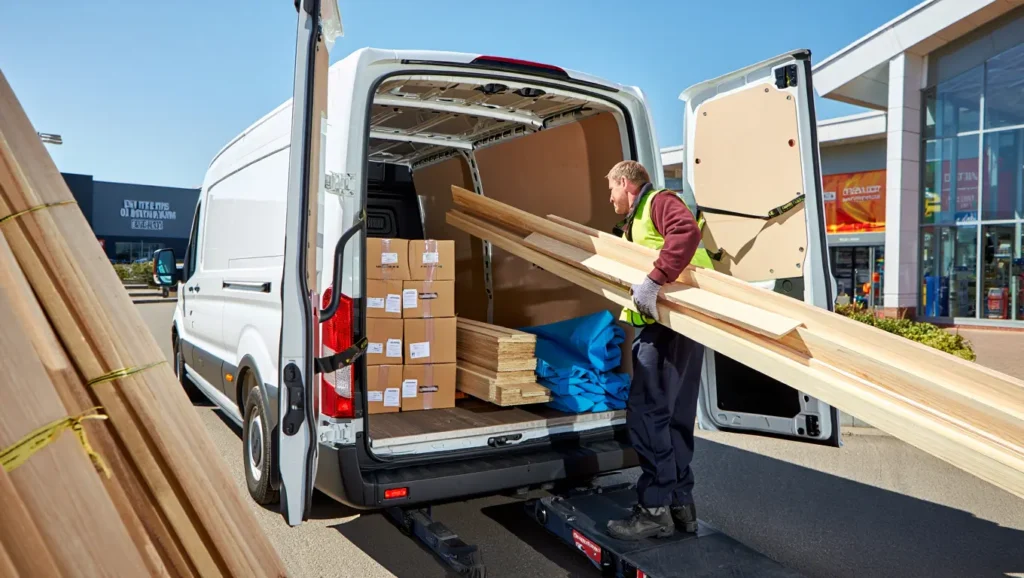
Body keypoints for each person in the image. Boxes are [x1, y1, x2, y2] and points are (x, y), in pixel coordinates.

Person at [603, 160, 715, 541]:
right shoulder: (636, 221)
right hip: (682, 325)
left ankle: (653, 509)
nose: (610, 197)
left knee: (648, 414)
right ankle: (682, 505)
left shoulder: (659, 202)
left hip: (668, 325)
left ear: (624, 182)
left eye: (611, 190)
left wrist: (653, 281)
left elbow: (685, 232)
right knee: (675, 417)